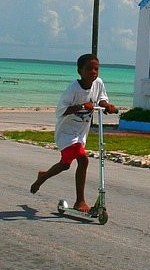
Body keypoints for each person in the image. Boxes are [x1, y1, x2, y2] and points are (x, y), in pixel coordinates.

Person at [30, 53, 118, 212]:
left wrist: (107, 106)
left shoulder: (98, 83)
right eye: (89, 69)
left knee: (65, 165)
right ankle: (80, 202)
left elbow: (101, 99)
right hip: (66, 132)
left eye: (96, 69)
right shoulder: (73, 89)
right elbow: (61, 111)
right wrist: (82, 106)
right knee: (83, 160)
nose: (93, 72)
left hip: (80, 132)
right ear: (80, 71)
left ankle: (43, 176)